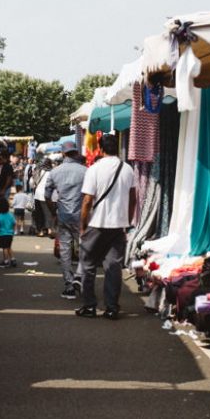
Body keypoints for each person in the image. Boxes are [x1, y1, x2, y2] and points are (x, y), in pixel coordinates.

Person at [75, 134, 136, 320]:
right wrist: (127, 220)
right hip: (118, 226)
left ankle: (89, 305)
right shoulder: (127, 169)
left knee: (87, 264)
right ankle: (111, 308)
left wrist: (83, 226)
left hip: (97, 224)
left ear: (100, 149)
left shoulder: (94, 169)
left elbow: (87, 201)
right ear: (116, 148)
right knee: (113, 267)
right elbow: (133, 198)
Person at [45, 141, 87, 300]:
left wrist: (53, 212)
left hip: (63, 215)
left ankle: (69, 285)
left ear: (63, 153)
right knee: (85, 248)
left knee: (64, 250)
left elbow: (47, 196)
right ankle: (79, 276)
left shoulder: (55, 172)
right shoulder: (85, 171)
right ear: (76, 153)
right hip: (81, 216)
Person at [0, 200, 17, 267]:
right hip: (10, 234)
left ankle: (6, 261)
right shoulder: (10, 215)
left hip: (2, 234)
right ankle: (13, 259)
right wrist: (14, 231)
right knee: (9, 247)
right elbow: (14, 223)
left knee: (4, 248)